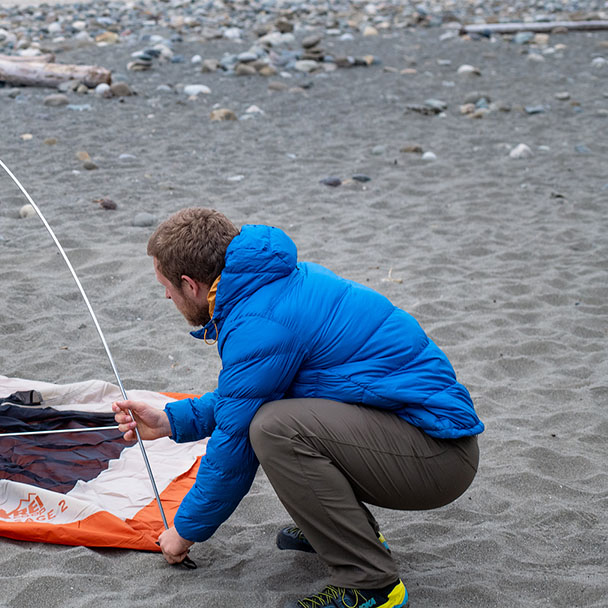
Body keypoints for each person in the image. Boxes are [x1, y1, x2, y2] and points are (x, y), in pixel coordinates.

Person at [113, 208, 482, 608]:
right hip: (418, 438)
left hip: (437, 457)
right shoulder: (271, 284)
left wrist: (183, 531)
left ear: (190, 284)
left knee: (273, 428)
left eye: (166, 286)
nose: (166, 296)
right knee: (275, 418)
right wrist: (170, 420)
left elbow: (232, 449)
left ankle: (372, 585)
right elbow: (247, 394)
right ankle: (349, 534)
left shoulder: (260, 321)